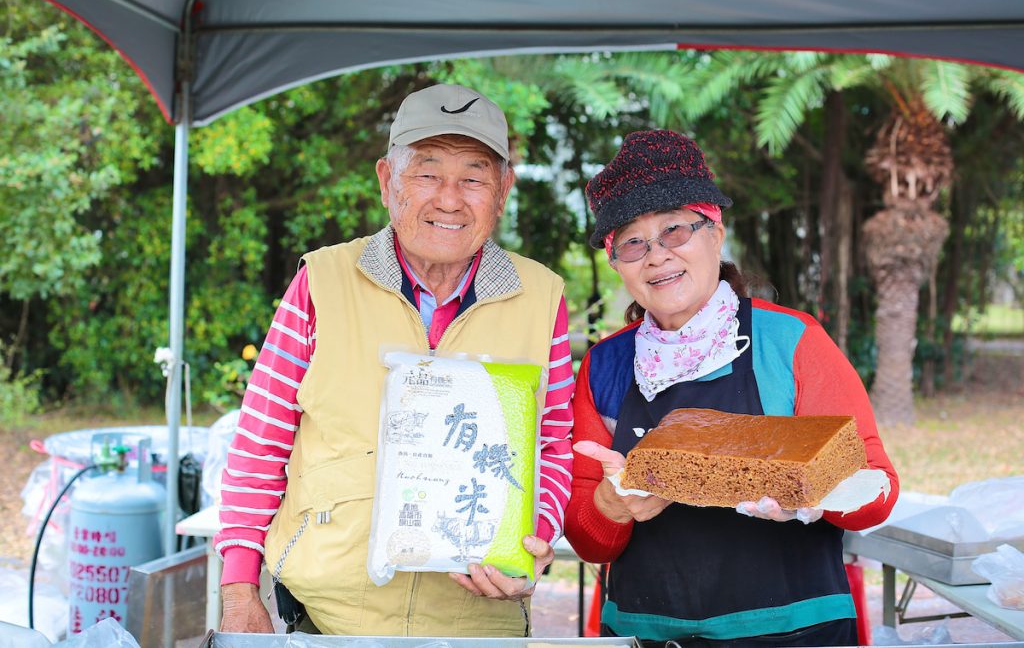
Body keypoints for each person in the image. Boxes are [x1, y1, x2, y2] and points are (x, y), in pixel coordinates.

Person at [213, 84, 574, 637]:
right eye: (427, 173)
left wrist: (534, 540)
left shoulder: (541, 297)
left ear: (503, 191)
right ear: (387, 182)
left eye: (474, 178)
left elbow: (552, 445)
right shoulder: (323, 282)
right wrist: (239, 588)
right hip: (329, 622)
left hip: (479, 625)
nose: (449, 199)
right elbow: (260, 442)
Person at [564, 130, 899, 647]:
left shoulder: (790, 340)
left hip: (795, 632)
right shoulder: (604, 365)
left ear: (715, 232)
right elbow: (589, 541)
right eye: (632, 242)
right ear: (616, 261)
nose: (656, 256)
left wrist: (815, 494)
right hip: (647, 634)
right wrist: (612, 504)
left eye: (674, 230)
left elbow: (878, 490)